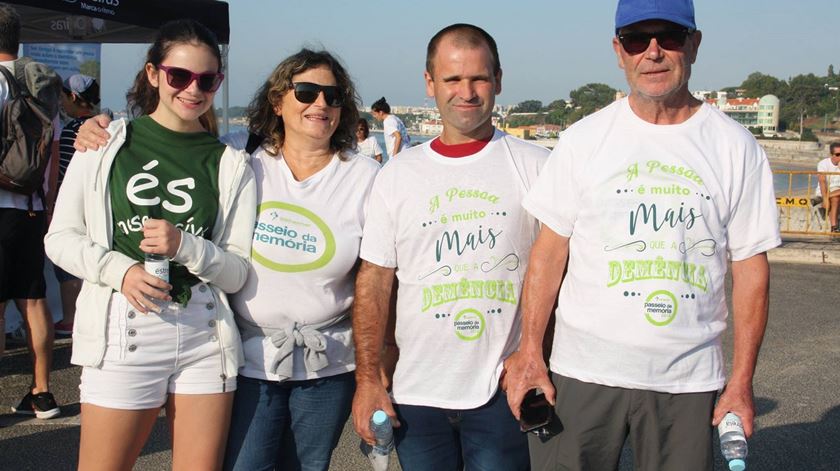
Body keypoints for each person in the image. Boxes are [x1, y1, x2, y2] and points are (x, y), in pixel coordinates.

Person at [503, 1, 782, 470]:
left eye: (669, 36)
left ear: (693, 44)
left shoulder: (735, 147)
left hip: (687, 379)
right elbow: (548, 254)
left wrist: (740, 381)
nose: (652, 51)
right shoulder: (584, 139)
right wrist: (530, 350)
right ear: (619, 51)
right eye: (636, 39)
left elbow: (751, 269)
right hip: (583, 371)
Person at [73, 47, 379, 471]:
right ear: (277, 101)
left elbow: (376, 277)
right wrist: (99, 129)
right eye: (306, 92)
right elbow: (176, 136)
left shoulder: (365, 176)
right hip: (248, 355)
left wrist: (375, 371)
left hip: (327, 360)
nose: (320, 104)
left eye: (333, 95)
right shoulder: (239, 156)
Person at [45, 19, 256, 470]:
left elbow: (238, 271)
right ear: (153, 74)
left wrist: (185, 246)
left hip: (205, 335)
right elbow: (60, 238)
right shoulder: (104, 145)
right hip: (125, 332)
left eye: (207, 80)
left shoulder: (230, 163)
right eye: (179, 76)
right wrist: (119, 270)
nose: (192, 90)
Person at [352, 23, 548, 471]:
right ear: (429, 84)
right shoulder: (398, 176)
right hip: (417, 394)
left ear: (498, 79)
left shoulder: (536, 168)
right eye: (452, 79)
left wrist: (537, 358)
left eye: (479, 78)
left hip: (501, 391)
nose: (467, 92)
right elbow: (374, 282)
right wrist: (368, 379)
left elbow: (561, 274)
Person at [0, 2, 63, 419]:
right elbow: (53, 157)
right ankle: (42, 393)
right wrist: (49, 205)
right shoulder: (41, 82)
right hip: (32, 208)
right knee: (33, 298)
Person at [52, 74, 101, 337]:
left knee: (67, 265)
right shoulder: (108, 127)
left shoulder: (74, 131)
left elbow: (63, 173)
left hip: (75, 205)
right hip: (97, 204)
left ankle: (70, 317)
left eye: (63, 96)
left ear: (73, 97)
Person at [815, 141, 840, 232]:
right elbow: (822, 182)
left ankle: (821, 201)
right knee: (836, 199)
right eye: (838, 154)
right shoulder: (823, 164)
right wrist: (825, 198)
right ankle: (834, 227)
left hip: (838, 189)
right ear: (831, 155)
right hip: (825, 190)